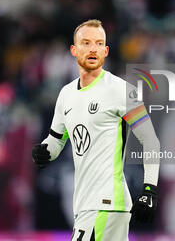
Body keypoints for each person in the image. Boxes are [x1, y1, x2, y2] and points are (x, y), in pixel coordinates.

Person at [32, 19, 160, 240]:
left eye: (99, 43)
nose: (93, 49)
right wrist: (43, 151)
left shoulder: (122, 91)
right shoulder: (66, 95)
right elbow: (55, 141)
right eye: (86, 43)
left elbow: (150, 141)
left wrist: (149, 190)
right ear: (74, 50)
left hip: (108, 203)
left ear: (106, 51)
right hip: (83, 204)